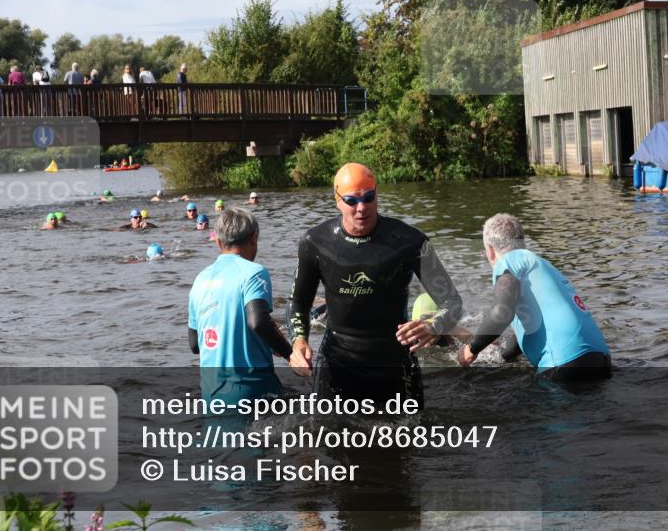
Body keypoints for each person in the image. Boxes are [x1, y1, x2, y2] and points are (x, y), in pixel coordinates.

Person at [288, 162, 463, 407]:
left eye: (369, 198)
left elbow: (453, 303)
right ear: (337, 200)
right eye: (352, 201)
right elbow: (298, 303)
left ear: (377, 195)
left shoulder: (409, 241)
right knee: (326, 436)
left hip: (393, 358)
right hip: (337, 359)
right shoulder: (315, 242)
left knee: (412, 439)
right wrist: (299, 342)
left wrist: (431, 326)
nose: (362, 208)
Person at [458, 214, 611, 381]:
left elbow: (502, 312)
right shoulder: (541, 265)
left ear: (490, 249)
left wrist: (471, 350)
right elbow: (526, 331)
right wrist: (500, 355)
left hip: (564, 363)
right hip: (600, 359)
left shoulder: (508, 263)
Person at [189, 207, 296, 404]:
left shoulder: (200, 279)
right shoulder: (254, 272)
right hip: (253, 389)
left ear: (218, 242)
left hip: (211, 393)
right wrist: (292, 356)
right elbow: (258, 323)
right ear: (254, 237)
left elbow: (195, 344)